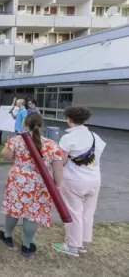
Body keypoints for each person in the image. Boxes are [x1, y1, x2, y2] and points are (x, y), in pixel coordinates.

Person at [0, 112, 63, 258]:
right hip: (40, 184)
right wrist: (58, 185)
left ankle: (7, 235)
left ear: (25, 124)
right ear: (41, 125)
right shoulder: (52, 145)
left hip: (18, 181)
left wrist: (10, 147)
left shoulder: (17, 140)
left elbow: (6, 155)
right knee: (32, 214)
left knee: (14, 208)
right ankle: (27, 245)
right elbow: (58, 169)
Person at [52, 107, 106, 257]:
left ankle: (72, 245)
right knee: (88, 212)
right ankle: (82, 241)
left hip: (74, 180)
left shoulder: (68, 138)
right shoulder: (95, 136)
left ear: (69, 119)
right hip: (94, 179)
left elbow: (61, 161)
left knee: (73, 212)